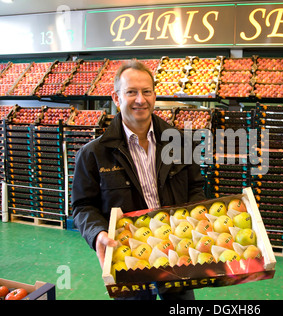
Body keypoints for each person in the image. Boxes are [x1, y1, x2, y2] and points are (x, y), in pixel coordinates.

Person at [72, 59, 206, 300]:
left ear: (154, 96)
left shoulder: (182, 143)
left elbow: (196, 187)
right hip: (129, 254)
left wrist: (195, 222)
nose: (140, 100)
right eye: (131, 92)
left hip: (176, 249)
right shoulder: (93, 154)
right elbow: (82, 206)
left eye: (146, 92)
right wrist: (98, 233)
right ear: (116, 98)